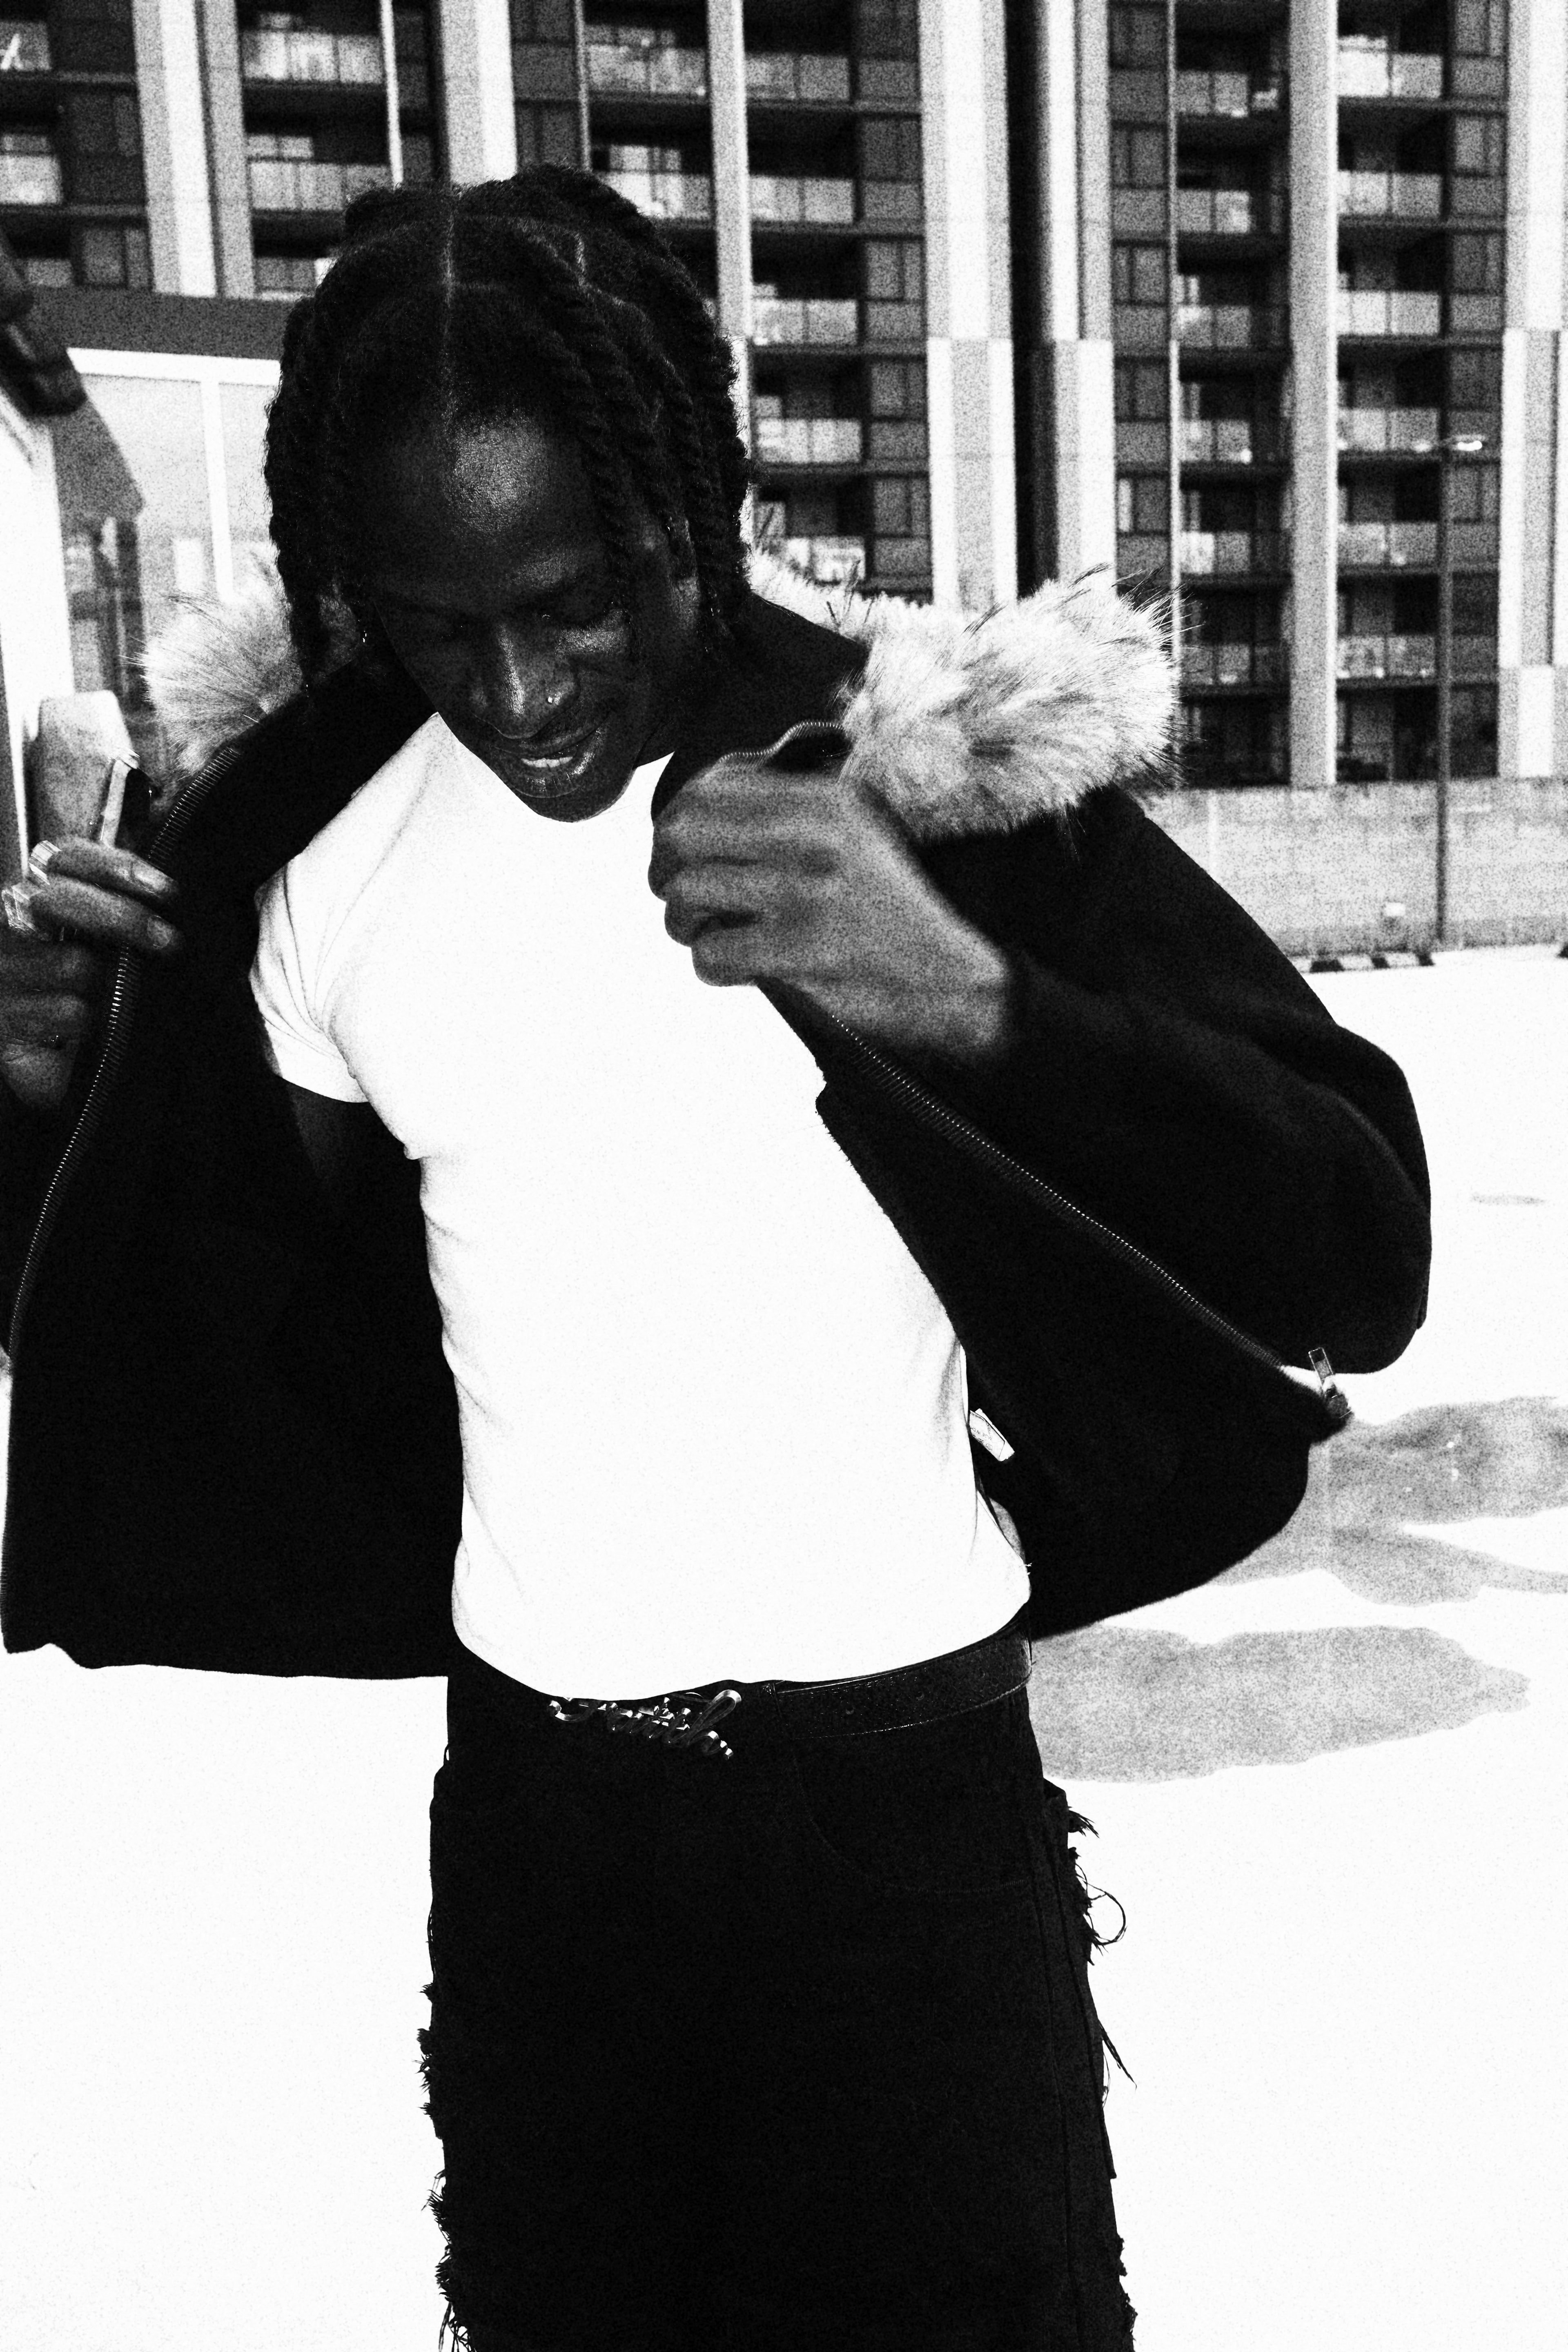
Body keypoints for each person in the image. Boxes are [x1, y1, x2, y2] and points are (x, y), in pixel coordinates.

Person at [0, 169, 1431, 2352]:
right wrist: (48, 1102)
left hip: (906, 1832)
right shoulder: (303, 852)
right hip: (545, 1847)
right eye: (437, 619)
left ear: (692, 491)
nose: (523, 691)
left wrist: (970, 998)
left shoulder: (903, 779)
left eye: (578, 598)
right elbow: (206, 1326)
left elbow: (1354, 1238)